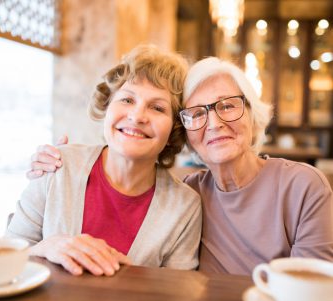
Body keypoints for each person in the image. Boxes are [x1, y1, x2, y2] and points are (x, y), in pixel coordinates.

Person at [26, 57, 333, 276]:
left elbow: (311, 293)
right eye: (198, 113)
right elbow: (15, 246)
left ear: (252, 115)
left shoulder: (300, 187)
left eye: (228, 105)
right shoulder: (193, 193)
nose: (214, 123)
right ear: (185, 129)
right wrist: (45, 243)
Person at [6, 45, 202, 276]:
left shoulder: (184, 207)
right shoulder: (57, 165)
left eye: (157, 108)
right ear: (107, 105)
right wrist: (45, 247)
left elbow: (176, 298)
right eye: (127, 100)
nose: (137, 116)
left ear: (174, 130)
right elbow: (8, 259)